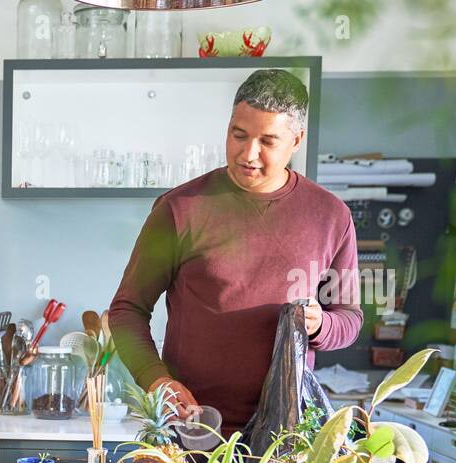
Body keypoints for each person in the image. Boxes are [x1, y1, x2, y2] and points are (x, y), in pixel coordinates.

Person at [107, 68, 363, 432]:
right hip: (191, 429)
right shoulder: (180, 209)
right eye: (238, 134)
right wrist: (156, 380)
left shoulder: (331, 216)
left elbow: (349, 319)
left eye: (268, 141)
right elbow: (126, 310)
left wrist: (321, 324)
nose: (248, 154)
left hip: (286, 440)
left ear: (297, 140)